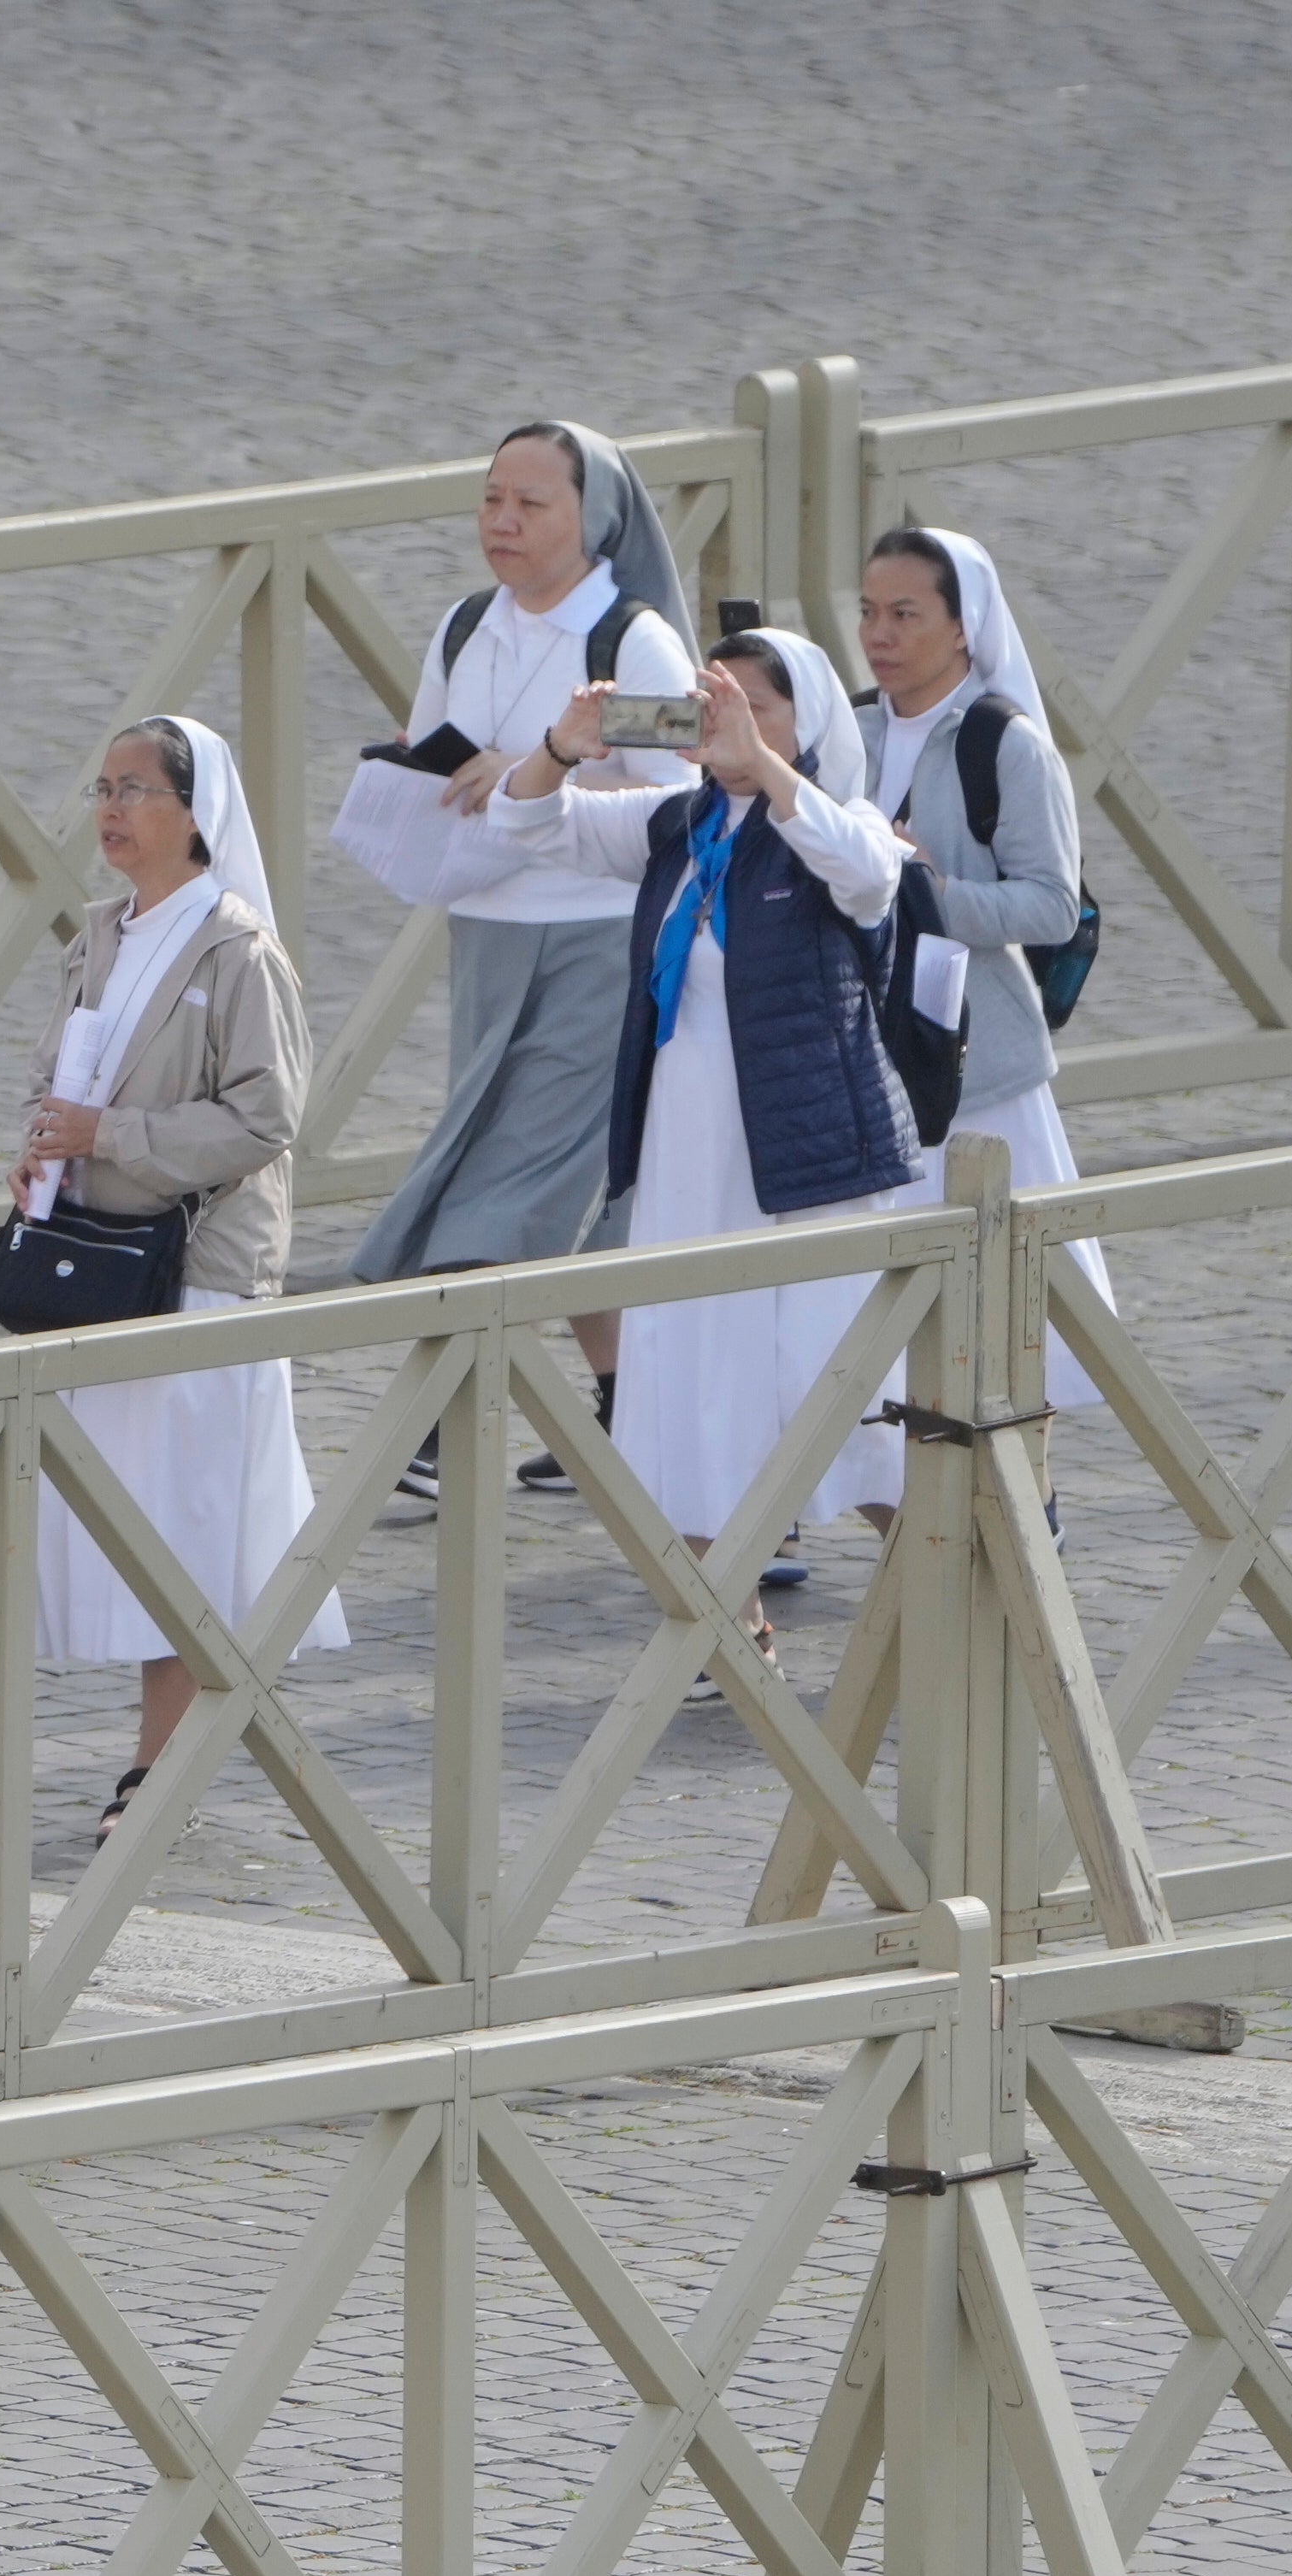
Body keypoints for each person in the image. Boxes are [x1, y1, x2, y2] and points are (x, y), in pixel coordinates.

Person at [494, 632, 919, 1676]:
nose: (724, 724)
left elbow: (870, 878)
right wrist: (563, 741)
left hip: (803, 1166)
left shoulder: (832, 822)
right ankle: (725, 1629)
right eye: (708, 707)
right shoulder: (675, 824)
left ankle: (941, 1589)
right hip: (689, 1160)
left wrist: (765, 766)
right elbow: (524, 822)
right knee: (683, 1384)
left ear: (803, 726)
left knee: (842, 1391)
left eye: (753, 708)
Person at [351, 423, 705, 1499]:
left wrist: (538, 776)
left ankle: (437, 1424)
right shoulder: (465, 627)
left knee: (504, 1187)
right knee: (580, 1199)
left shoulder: (630, 646)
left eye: (530, 504)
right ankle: (627, 1409)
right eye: (490, 499)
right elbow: (430, 752)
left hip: (600, 937)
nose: (502, 522)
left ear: (590, 518)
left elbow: (690, 790)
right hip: (488, 933)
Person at [13, 716, 346, 1839]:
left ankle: (159, 1771)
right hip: (99, 1266)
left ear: (197, 812)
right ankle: (167, 1754)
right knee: (129, 1519)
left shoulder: (238, 951)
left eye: (138, 790)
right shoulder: (101, 933)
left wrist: (111, 1134)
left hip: (197, 1271)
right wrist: (44, 1140)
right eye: (103, 787)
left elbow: (268, 1117)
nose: (112, 810)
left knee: (187, 1530)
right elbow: (55, 1074)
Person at [856, 525, 1107, 1408]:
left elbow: (1048, 904)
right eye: (866, 612)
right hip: (864, 1059)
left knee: (1013, 1304)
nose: (877, 634)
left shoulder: (1003, 744)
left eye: (902, 613)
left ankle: (1029, 1500)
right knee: (877, 1308)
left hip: (979, 1065)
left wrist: (923, 889)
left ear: (963, 627)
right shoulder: (846, 728)